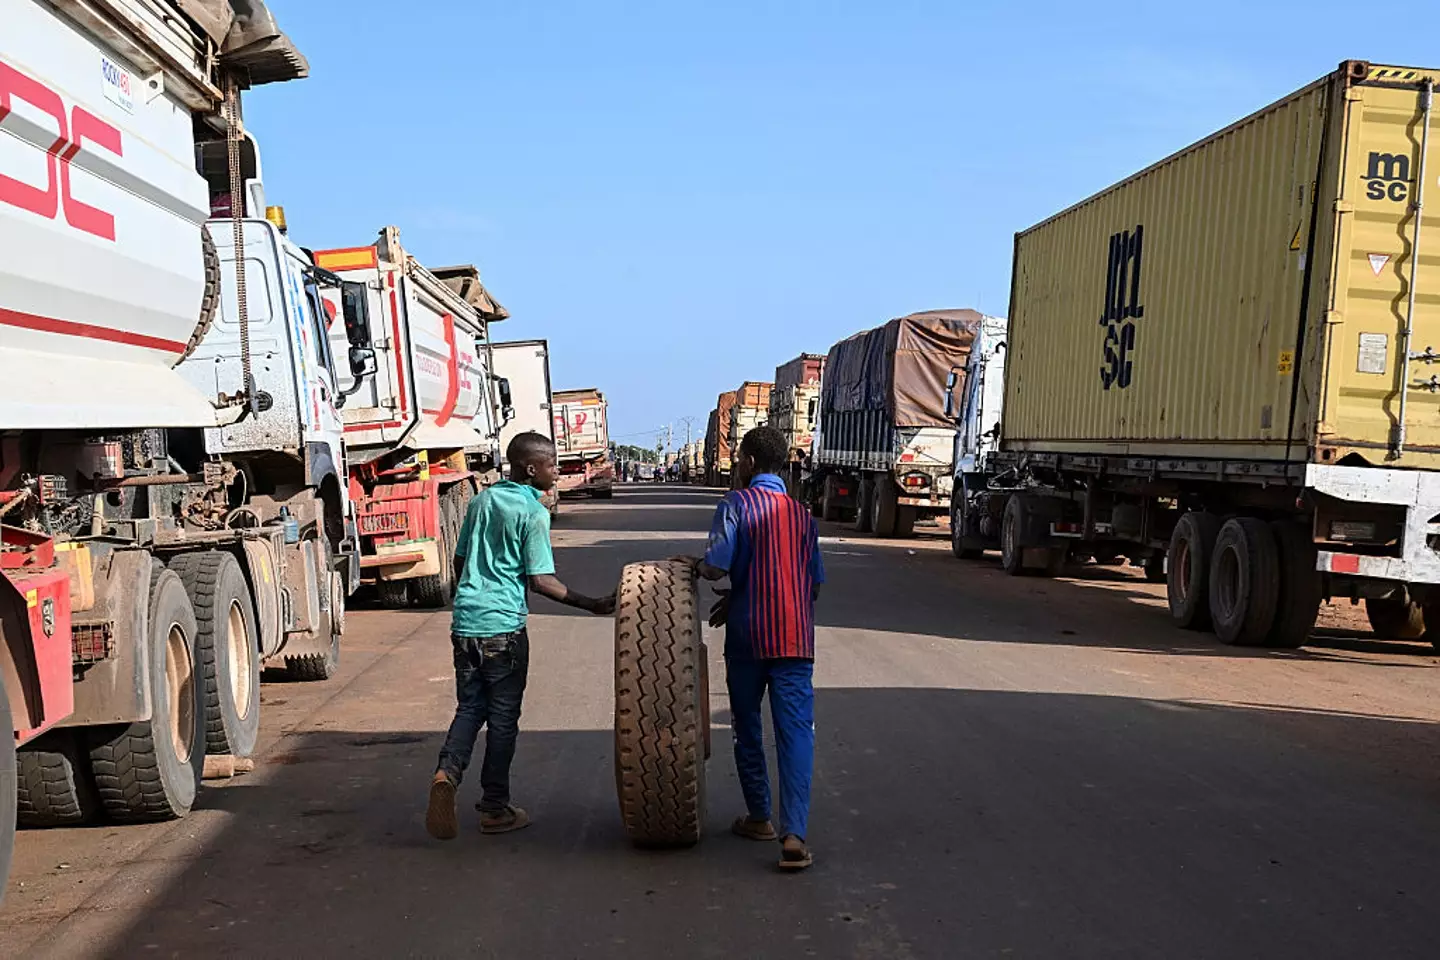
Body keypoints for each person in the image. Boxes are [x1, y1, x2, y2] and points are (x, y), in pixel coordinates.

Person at [426, 431, 616, 840]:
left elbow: (460, 561)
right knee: (503, 720)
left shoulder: (481, 501)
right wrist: (593, 604)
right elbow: (541, 581)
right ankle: (494, 808)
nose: (556, 471)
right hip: (503, 631)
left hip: (466, 626)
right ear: (531, 469)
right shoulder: (532, 513)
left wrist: (472, 599)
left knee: (469, 708)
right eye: (551, 464)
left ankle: (447, 772)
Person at [686, 425, 824, 870]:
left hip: (748, 637)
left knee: (747, 725)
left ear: (746, 463)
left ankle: (760, 816)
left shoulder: (736, 504)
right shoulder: (804, 516)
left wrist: (695, 567)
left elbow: (715, 566)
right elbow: (811, 584)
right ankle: (795, 835)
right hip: (795, 640)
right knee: (796, 732)